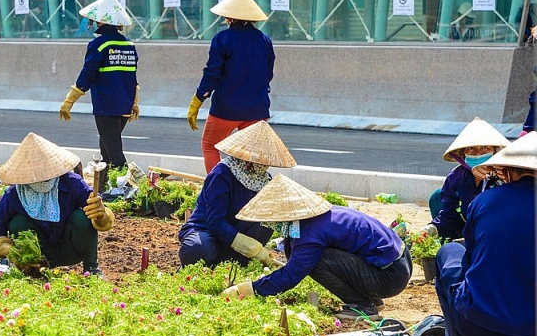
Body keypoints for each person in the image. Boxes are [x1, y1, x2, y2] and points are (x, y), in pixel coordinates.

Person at [223, 174, 412, 321]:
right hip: (400, 262)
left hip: (390, 277)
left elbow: (291, 275)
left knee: (316, 262)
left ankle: (362, 305)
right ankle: (370, 297)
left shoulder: (311, 234)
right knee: (309, 255)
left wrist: (250, 289)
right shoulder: (322, 215)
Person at [434, 132, 535, 336]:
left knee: (449, 252)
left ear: (508, 172)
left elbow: (472, 258)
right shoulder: (458, 180)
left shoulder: (485, 201)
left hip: (481, 327)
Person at [0, 132, 115, 276]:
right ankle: (35, 272)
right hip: (38, 255)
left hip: (70, 248)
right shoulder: (13, 196)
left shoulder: (71, 183)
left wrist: (101, 214)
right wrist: (10, 250)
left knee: (82, 216)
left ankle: (91, 268)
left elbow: (96, 206)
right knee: (18, 223)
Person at [178, 120, 296, 268]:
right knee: (198, 249)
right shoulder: (222, 174)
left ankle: (234, 264)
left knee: (266, 222)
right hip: (208, 231)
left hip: (238, 235)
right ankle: (206, 265)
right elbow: (216, 222)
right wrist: (246, 245)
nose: (262, 164)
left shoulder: (266, 182)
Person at [187, 0, 275, 173]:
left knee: (210, 146)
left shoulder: (223, 39)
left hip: (226, 110)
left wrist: (197, 101)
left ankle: (214, 190)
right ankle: (247, 193)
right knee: (249, 157)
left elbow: (212, 74)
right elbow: (268, 75)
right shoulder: (264, 40)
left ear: (229, 18)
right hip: (257, 110)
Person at [59, 0, 139, 186]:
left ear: (100, 22)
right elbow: (132, 78)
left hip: (106, 105)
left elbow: (87, 75)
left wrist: (69, 101)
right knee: (106, 147)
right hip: (125, 105)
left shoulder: (99, 45)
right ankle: (102, 187)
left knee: (114, 150)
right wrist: (135, 103)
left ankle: (129, 188)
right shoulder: (129, 45)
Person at [423, 117, 509, 240]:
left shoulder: (505, 175)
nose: (478, 153)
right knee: (437, 197)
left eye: (484, 148)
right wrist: (432, 229)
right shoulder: (457, 176)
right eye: (471, 148)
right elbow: (449, 214)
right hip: (463, 224)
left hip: (494, 231)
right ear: (464, 153)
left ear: (494, 150)